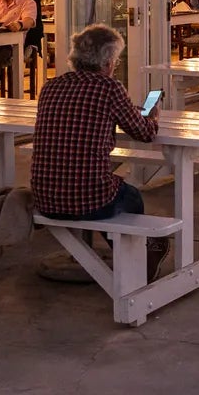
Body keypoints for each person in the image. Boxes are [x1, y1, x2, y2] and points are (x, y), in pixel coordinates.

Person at [30, 22, 163, 280]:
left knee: (98, 185)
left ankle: (107, 255)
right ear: (108, 61)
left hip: (44, 198)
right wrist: (154, 117)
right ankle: (135, 260)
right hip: (87, 199)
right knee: (128, 196)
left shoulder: (51, 87)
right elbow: (145, 134)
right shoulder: (109, 88)